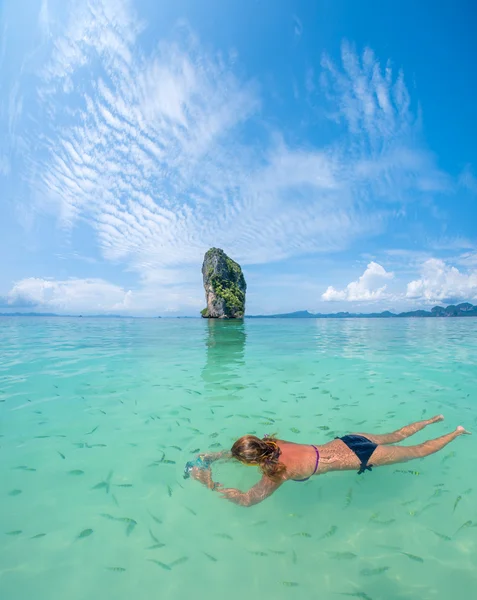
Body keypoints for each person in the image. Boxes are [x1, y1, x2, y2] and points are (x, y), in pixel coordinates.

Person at [188, 415, 470, 507]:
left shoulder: (276, 472)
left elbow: (249, 499)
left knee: (418, 451)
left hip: (361, 456)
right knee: (396, 435)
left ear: (254, 461)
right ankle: (436, 419)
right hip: (347, 440)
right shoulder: (274, 442)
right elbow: (252, 450)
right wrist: (219, 455)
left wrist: (210, 485)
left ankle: (457, 433)